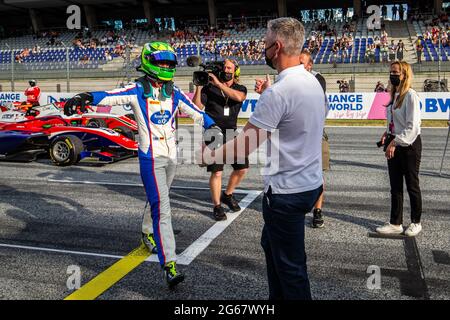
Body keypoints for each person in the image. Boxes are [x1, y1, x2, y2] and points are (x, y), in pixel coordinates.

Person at [63, 41, 217, 288]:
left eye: (169, 62)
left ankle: (147, 232)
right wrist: (87, 97)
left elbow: (197, 112)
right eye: (161, 62)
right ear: (148, 62)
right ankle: (170, 265)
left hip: (172, 158)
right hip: (150, 158)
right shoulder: (136, 90)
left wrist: (212, 125)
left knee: (159, 197)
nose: (166, 66)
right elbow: (109, 97)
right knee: (163, 208)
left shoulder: (174, 92)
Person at [203, 17, 325, 300]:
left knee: (291, 270)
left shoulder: (279, 93)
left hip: (285, 192)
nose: (264, 49)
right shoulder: (313, 82)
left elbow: (242, 147)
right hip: (310, 184)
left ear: (277, 47)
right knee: (271, 245)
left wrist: (209, 153)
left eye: (266, 44)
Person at [193, 59, 248, 221]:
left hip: (231, 132)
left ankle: (227, 194)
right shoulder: (209, 88)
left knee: (242, 169)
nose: (225, 69)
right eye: (224, 67)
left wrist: (218, 84)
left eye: (229, 67)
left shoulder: (240, 88)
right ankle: (217, 205)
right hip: (213, 132)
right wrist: (199, 86)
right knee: (217, 171)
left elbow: (238, 98)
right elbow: (197, 107)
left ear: (235, 71)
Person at [376, 61, 423, 237]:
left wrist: (394, 142)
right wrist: (386, 133)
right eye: (391, 72)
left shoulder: (411, 96)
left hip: (409, 146)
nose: (392, 75)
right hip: (394, 142)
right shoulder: (394, 96)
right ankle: (396, 223)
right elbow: (395, 123)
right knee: (395, 186)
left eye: (395, 72)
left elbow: (413, 127)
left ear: (404, 75)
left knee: (412, 185)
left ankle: (416, 222)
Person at [299, 49, 329, 228]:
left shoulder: (318, 79)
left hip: (315, 135)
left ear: (310, 65)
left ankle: (317, 210)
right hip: (296, 135)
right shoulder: (291, 78)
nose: (298, 66)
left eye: (301, 63)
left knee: (317, 174)